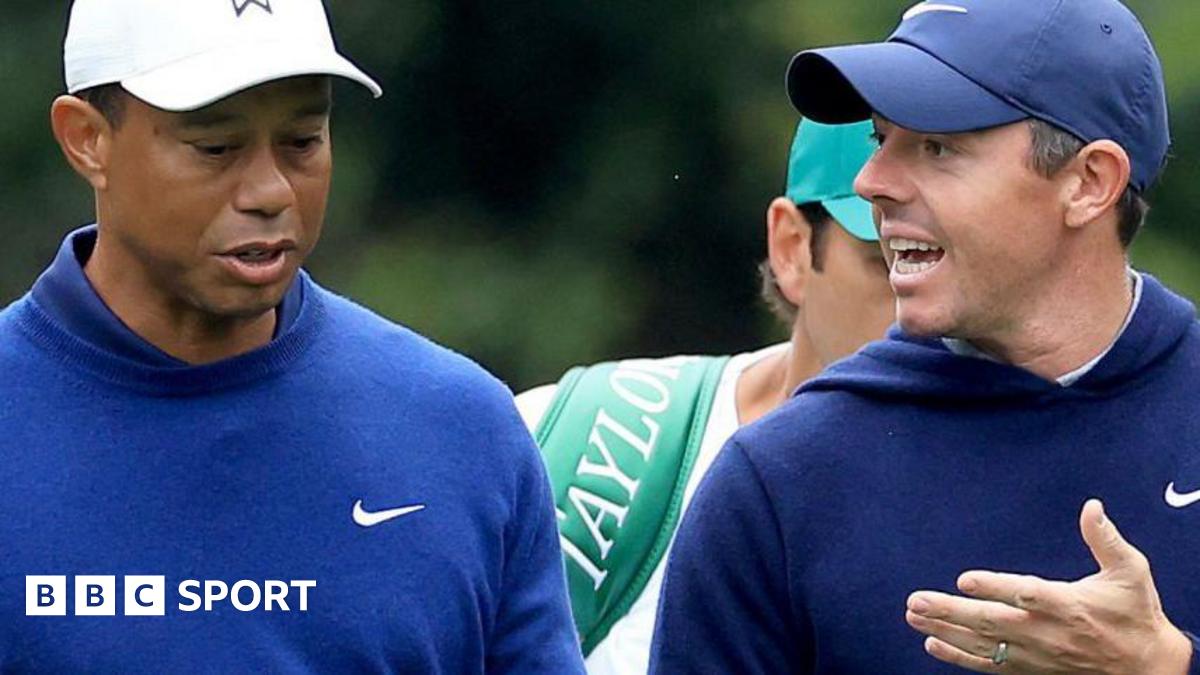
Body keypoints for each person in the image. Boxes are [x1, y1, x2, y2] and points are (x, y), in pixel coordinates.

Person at [0, 1, 582, 672]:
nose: (271, 190)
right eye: (216, 147)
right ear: (87, 140)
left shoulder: (464, 431)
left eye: (302, 141)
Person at [650, 1, 1200, 673]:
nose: (870, 183)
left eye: (938, 148)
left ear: (1089, 183)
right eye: (883, 140)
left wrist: (1164, 666)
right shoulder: (780, 484)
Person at [516, 118, 895, 674]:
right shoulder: (573, 436)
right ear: (791, 247)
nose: (924, 303)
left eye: (946, 258)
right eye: (888, 262)